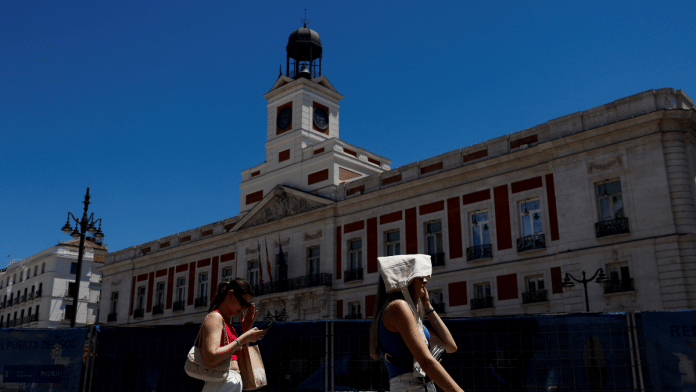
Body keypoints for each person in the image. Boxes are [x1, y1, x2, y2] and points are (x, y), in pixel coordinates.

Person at [369, 255, 464, 392]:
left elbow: (450, 346)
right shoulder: (398, 307)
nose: (425, 281)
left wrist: (427, 306)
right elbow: (426, 362)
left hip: (417, 386)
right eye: (420, 276)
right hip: (411, 387)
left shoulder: (406, 315)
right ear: (405, 279)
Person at [199, 278, 267, 392]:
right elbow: (211, 358)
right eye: (242, 302)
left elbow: (239, 359)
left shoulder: (228, 325)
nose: (244, 308)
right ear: (230, 294)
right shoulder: (215, 318)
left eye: (247, 304)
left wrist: (245, 332)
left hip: (227, 383)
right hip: (221, 383)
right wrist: (244, 338)